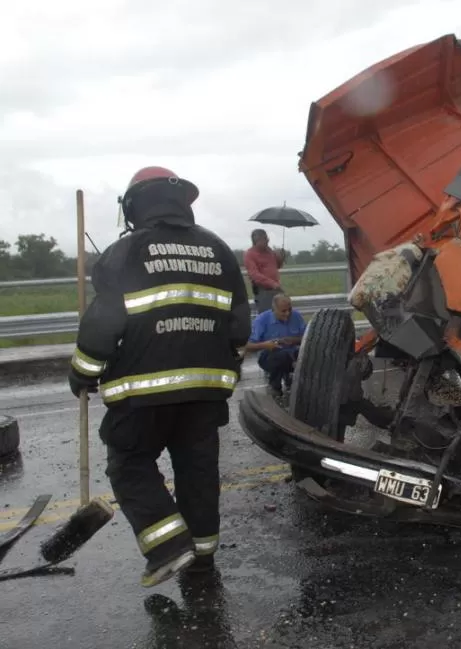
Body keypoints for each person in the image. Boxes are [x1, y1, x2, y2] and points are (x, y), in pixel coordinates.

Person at [67, 166, 251, 588]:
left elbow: (102, 326)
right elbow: (240, 324)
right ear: (183, 201)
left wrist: (82, 373)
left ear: (133, 206)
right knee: (198, 474)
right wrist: (228, 365)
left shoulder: (125, 252)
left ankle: (168, 548)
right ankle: (202, 560)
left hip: (141, 395)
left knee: (130, 465)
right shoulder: (219, 250)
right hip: (205, 395)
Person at [245, 293, 306, 397]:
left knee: (302, 353)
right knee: (281, 356)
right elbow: (247, 345)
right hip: (269, 356)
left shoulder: (296, 316)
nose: (287, 313)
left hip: (293, 353)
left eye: (289, 310)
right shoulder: (261, 321)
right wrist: (265, 345)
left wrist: (293, 340)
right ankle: (275, 386)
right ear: (274, 310)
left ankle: (292, 378)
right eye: (283, 311)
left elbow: (308, 339)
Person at [244, 228, 286, 313]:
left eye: (267, 238)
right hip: (263, 291)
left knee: (280, 313)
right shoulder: (250, 254)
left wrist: (280, 258)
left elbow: (276, 266)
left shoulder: (269, 251)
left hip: (276, 289)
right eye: (265, 239)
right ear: (256, 240)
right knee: (267, 315)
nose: (267, 241)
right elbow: (254, 275)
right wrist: (272, 284)